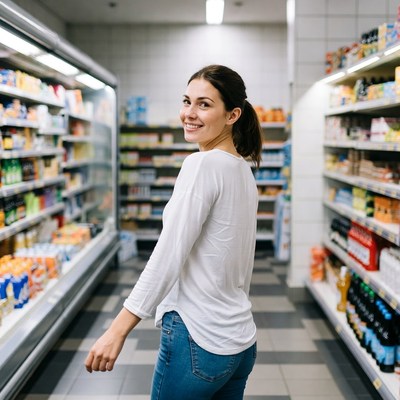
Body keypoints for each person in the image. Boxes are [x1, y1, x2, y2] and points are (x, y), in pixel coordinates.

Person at [85, 64, 263, 399]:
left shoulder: (201, 165)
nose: (189, 114)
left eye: (204, 104)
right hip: (239, 341)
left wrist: (117, 330)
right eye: (187, 101)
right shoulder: (243, 171)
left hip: (198, 339)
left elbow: (168, 254)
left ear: (232, 115)